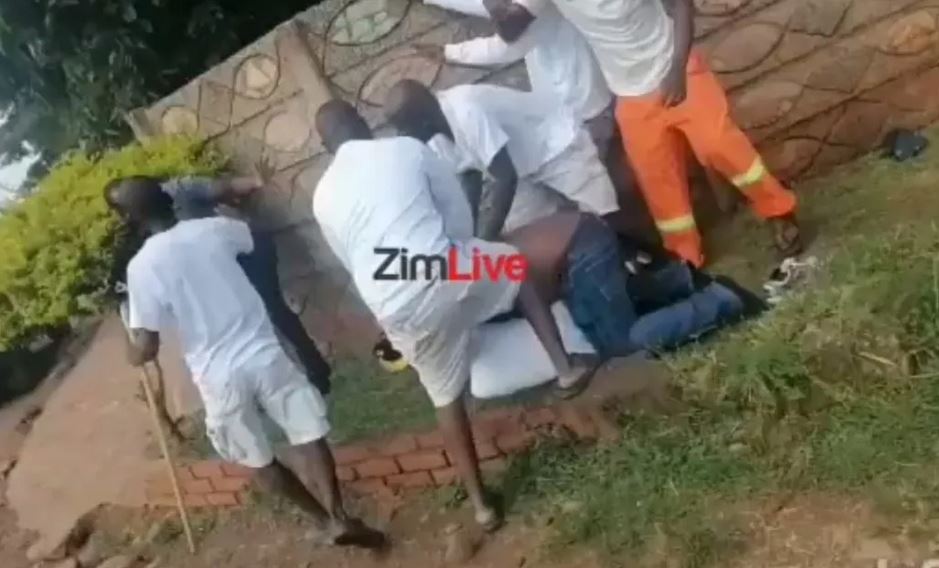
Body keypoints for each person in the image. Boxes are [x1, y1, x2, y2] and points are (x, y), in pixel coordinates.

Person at [312, 99, 596, 531]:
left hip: (390, 301)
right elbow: (458, 216)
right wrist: (461, 257)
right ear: (362, 122)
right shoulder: (405, 149)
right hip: (437, 264)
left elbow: (351, 261)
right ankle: (566, 369)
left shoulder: (321, 197)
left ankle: (481, 506)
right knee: (514, 267)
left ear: (325, 146)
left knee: (443, 395)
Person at [109, 182, 384, 547]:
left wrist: (129, 347)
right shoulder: (214, 229)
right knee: (307, 431)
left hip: (217, 378)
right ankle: (338, 515)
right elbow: (252, 240)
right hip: (264, 355)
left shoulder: (141, 268)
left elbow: (146, 348)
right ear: (167, 198)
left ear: (128, 219)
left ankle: (323, 522)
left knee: (256, 459)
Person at [504, 0, 802, 267]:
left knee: (718, 145)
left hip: (677, 70)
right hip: (631, 96)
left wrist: (677, 69)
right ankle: (686, 257)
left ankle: (778, 210)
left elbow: (682, 5)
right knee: (659, 181)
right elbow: (510, 27)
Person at [105, 171, 332, 396]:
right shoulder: (139, 231)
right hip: (223, 266)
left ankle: (315, 372)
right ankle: (276, 383)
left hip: (247, 250)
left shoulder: (178, 190)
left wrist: (253, 182)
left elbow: (222, 188)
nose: (124, 217)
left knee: (272, 309)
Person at [503, 211, 764, 360]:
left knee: (621, 343)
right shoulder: (477, 260)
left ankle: (720, 299)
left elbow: (526, 290)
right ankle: (678, 280)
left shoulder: (479, 274)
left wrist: (564, 367)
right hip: (574, 247)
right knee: (598, 327)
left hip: (580, 252)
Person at [384, 80, 619, 240]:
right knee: (531, 234)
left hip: (555, 145)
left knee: (606, 215)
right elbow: (469, 174)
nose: (402, 136)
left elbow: (506, 178)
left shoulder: (467, 111)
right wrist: (471, 233)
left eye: (404, 129)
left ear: (423, 122)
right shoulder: (435, 139)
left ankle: (634, 261)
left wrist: (485, 240)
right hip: (522, 171)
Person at [417, 0, 615, 155]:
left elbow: (506, 48)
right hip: (570, 91)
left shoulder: (526, 12)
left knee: (594, 163)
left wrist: (450, 53)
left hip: (586, 101)